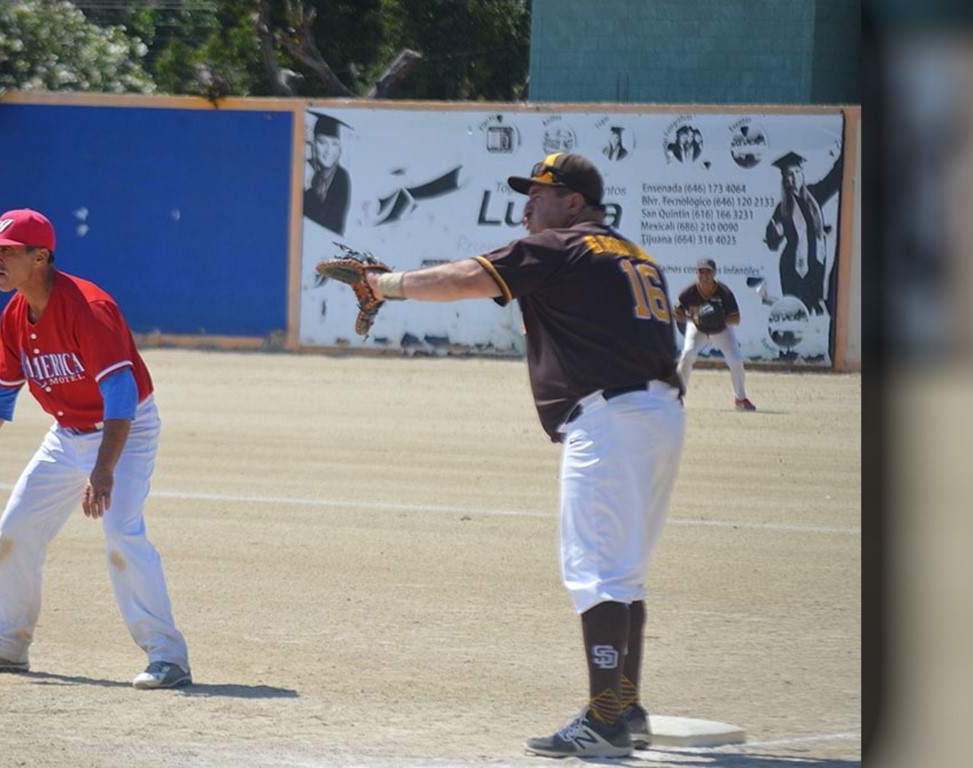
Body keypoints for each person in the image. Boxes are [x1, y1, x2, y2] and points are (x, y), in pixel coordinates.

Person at [353, 153, 686, 758]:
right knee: (625, 571)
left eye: (541, 193)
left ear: (574, 203)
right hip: (659, 416)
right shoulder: (634, 253)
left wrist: (385, 285)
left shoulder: (561, 247)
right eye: (528, 193)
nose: (528, 205)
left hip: (611, 420)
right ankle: (625, 706)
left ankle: (605, 721)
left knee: (597, 573)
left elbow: (461, 279)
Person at [0, 208, 191, 690]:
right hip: (67, 432)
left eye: (7, 251)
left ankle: (168, 657)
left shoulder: (88, 308)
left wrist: (103, 470)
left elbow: (119, 395)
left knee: (122, 534)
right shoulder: (15, 315)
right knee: (17, 527)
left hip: (124, 431)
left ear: (41, 257)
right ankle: (7, 645)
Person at [764, 150, 842, 315]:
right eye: (789, 174)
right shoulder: (782, 209)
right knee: (797, 313)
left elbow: (834, 179)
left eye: (797, 172)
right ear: (785, 180)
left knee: (818, 312)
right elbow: (771, 243)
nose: (793, 177)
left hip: (816, 264)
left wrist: (844, 154)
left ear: (802, 174)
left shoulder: (815, 194)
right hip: (793, 269)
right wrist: (775, 232)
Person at [674, 258, 757, 411]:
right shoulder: (689, 292)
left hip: (722, 330)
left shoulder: (724, 292)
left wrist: (716, 318)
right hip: (698, 328)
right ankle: (677, 396)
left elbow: (736, 318)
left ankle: (740, 399)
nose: (704, 275)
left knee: (736, 361)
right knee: (687, 354)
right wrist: (686, 317)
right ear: (697, 273)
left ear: (714, 273)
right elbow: (677, 312)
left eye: (708, 271)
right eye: (701, 271)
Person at [303, 112, 352, 235]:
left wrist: (307, 189)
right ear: (313, 144)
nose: (328, 151)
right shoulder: (313, 173)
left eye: (334, 144)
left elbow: (329, 226)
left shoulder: (341, 177)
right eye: (322, 143)